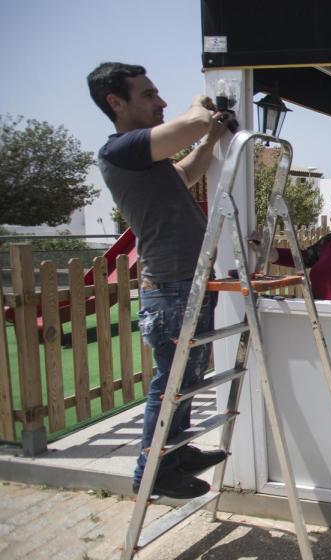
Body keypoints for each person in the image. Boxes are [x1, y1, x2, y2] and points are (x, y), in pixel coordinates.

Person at [87, 62, 230, 499]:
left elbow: (185, 174)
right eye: (148, 94)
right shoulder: (121, 149)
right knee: (170, 383)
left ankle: (176, 454)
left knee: (186, 379)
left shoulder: (148, 162)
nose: (160, 102)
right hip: (170, 288)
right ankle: (151, 473)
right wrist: (200, 107)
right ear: (116, 102)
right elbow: (194, 121)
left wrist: (211, 140)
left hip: (186, 284)